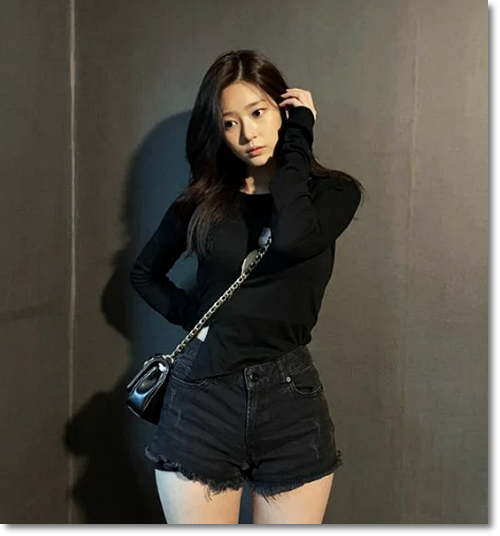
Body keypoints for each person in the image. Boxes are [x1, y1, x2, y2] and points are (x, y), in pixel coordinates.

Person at [130, 49, 365, 524]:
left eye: (257, 113)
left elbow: (294, 235)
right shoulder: (203, 202)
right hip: (202, 395)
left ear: (284, 109)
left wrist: (299, 136)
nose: (247, 135)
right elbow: (144, 274)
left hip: (290, 401)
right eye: (229, 123)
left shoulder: (333, 194)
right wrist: (196, 317)